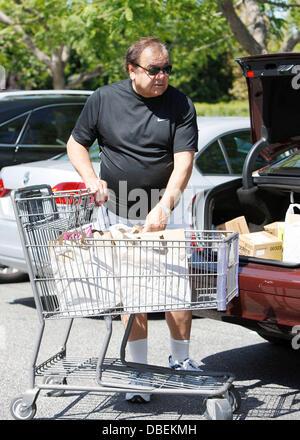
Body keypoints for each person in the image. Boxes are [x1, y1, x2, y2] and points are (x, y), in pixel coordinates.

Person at [67, 36, 200, 403]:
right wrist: (91, 178)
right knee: (133, 292)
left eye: (167, 70)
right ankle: (139, 375)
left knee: (176, 289)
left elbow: (184, 162)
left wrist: (165, 208)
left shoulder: (180, 103)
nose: (162, 76)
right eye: (154, 70)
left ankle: (182, 361)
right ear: (131, 69)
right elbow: (76, 143)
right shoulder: (103, 99)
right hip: (119, 212)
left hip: (166, 209)